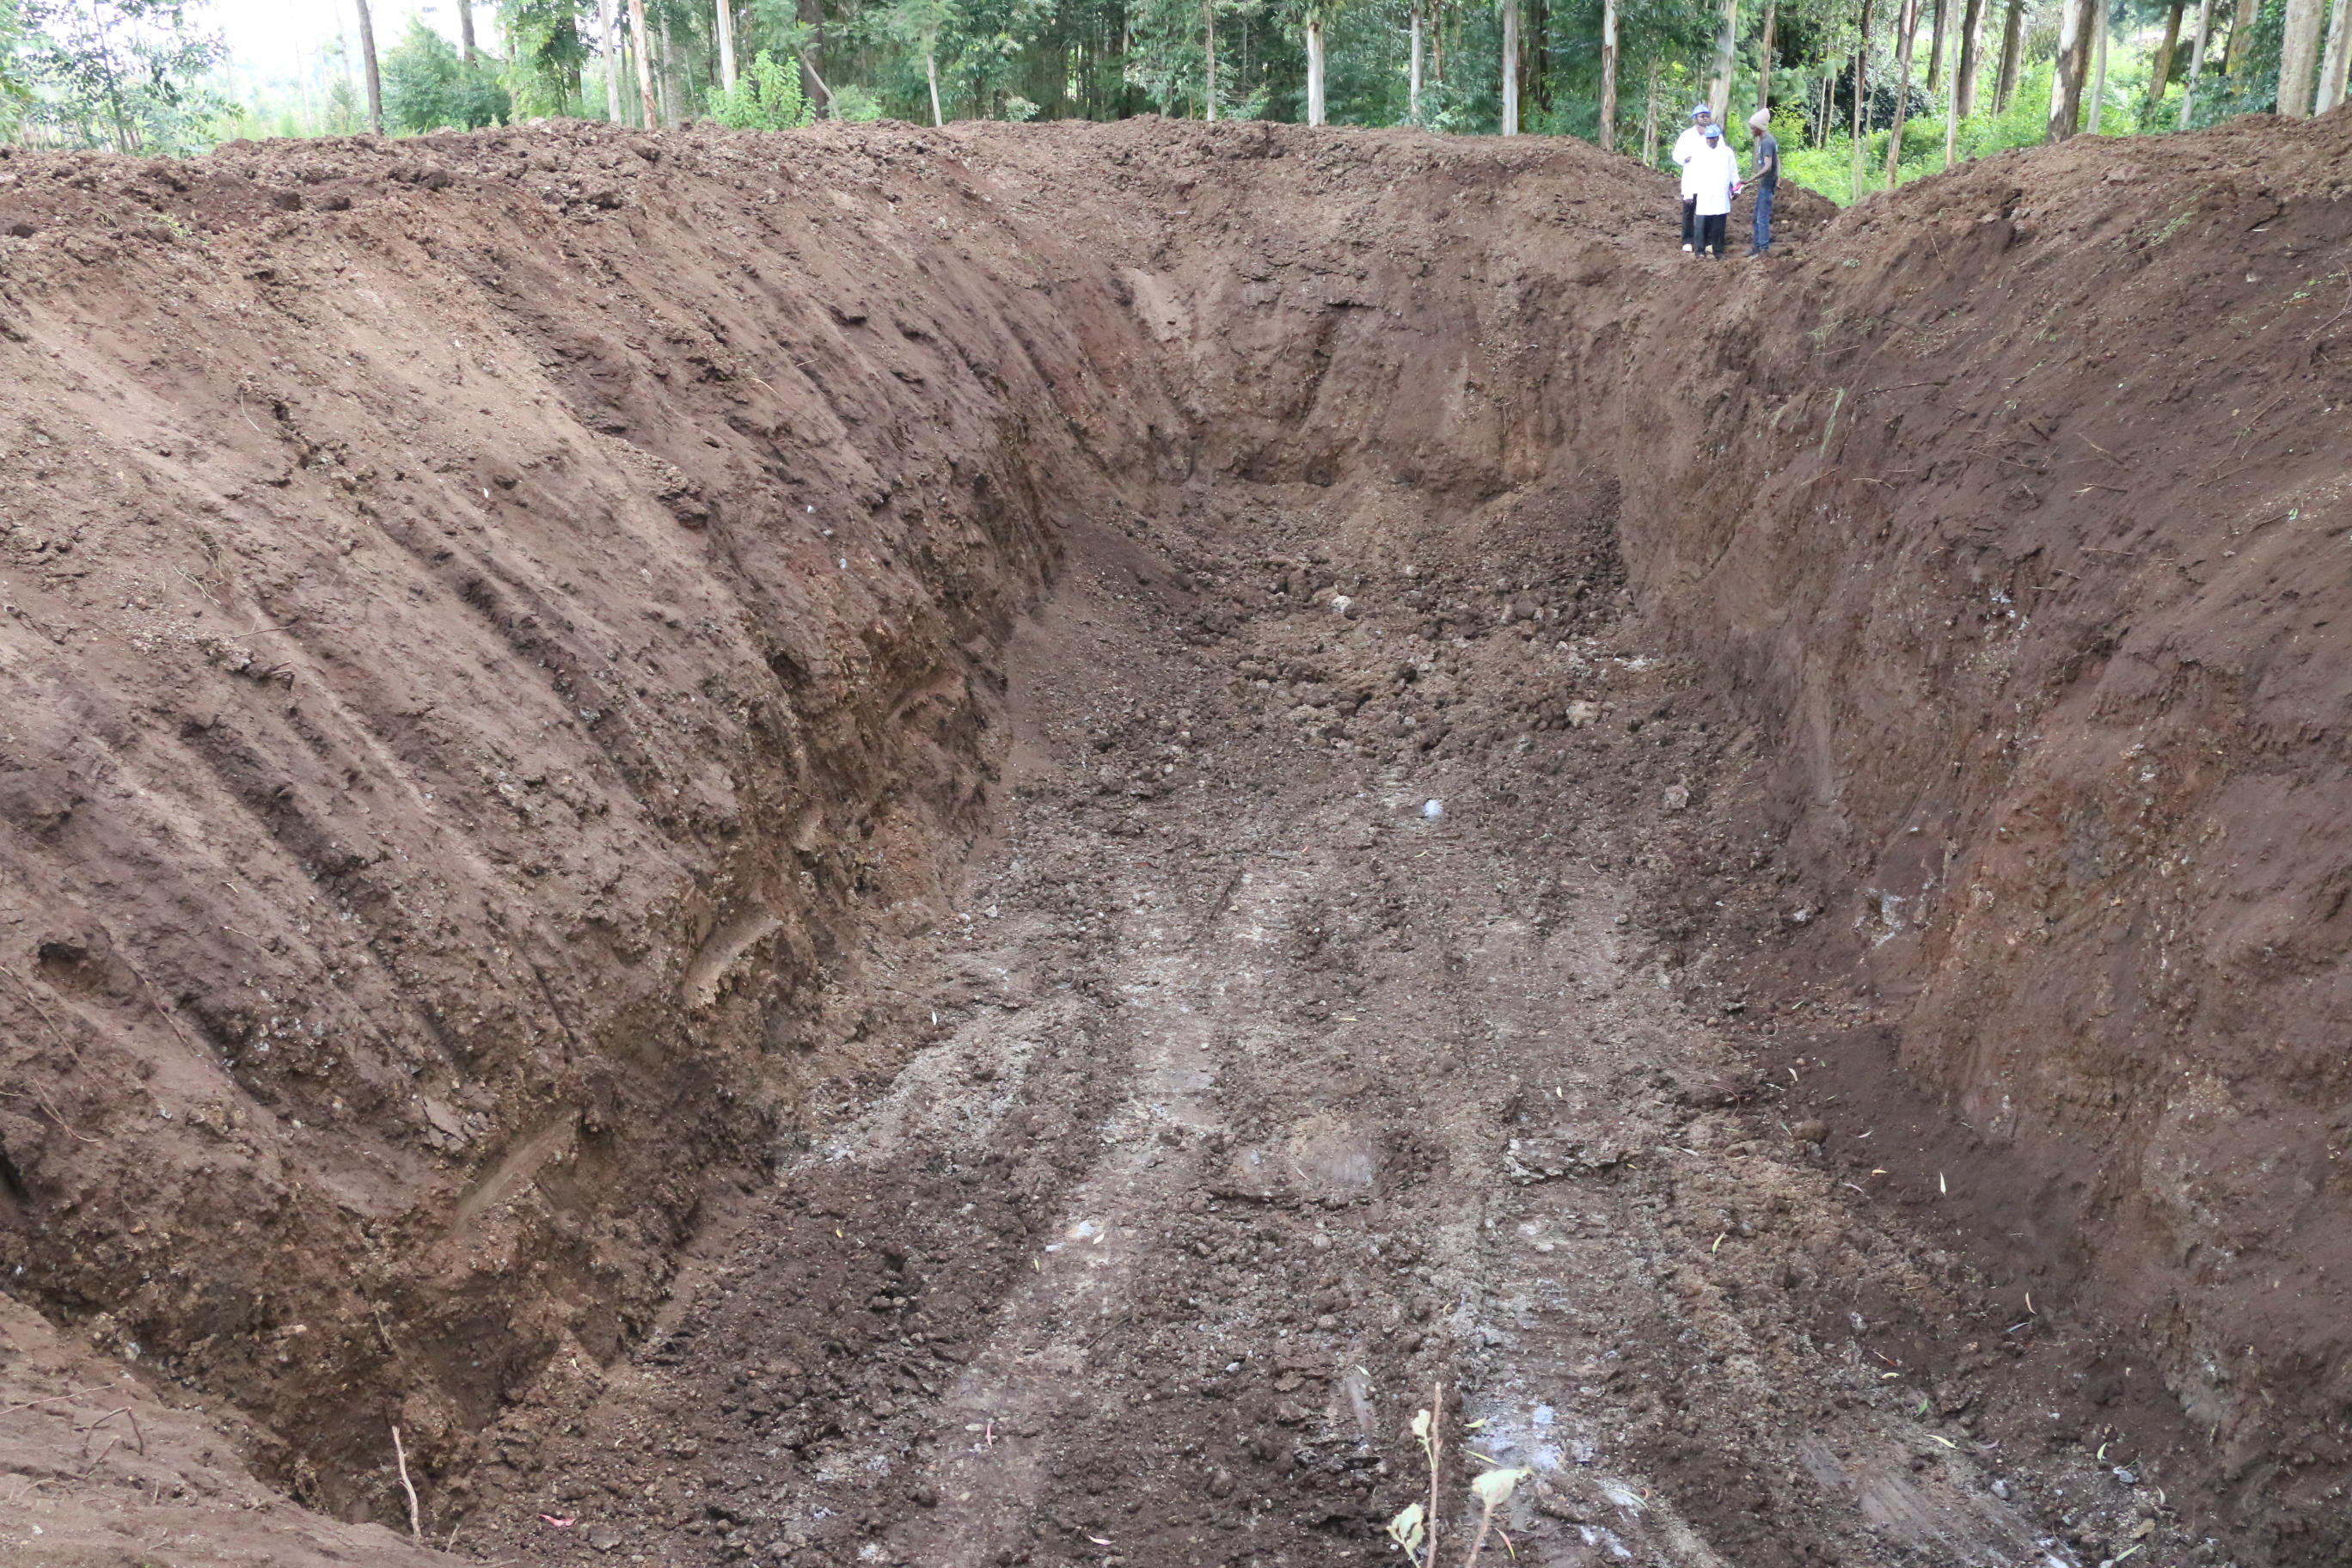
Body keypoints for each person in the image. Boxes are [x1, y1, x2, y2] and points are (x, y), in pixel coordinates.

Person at [1687, 122, 1741, 259]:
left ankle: (1719, 251)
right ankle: (1699, 250)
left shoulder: (1727, 152)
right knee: (1701, 222)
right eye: (1708, 138)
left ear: (1718, 138)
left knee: (1719, 223)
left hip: (1720, 194)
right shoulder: (1699, 152)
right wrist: (1689, 192)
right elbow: (1691, 173)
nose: (1710, 141)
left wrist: (1737, 188)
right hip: (1704, 193)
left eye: (1713, 138)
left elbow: (1733, 172)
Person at [1671, 103, 1713, 253]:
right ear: (1695, 118)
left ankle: (1706, 241)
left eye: (1707, 116)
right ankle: (1687, 240)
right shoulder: (1687, 135)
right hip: (1691, 178)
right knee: (1689, 210)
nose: (1705, 119)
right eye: (1702, 116)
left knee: (1707, 211)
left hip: (1707, 179)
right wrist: (1685, 159)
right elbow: (1676, 154)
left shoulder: (1714, 134)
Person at [1745, 109, 1779, 257]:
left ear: (1760, 127)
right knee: (1756, 217)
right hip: (1766, 184)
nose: (1752, 130)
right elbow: (1778, 160)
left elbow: (1768, 166)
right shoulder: (1769, 140)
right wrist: (1778, 176)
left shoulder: (1766, 142)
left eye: (1753, 127)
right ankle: (1757, 247)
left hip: (1766, 185)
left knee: (1762, 218)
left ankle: (1763, 250)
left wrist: (1750, 180)